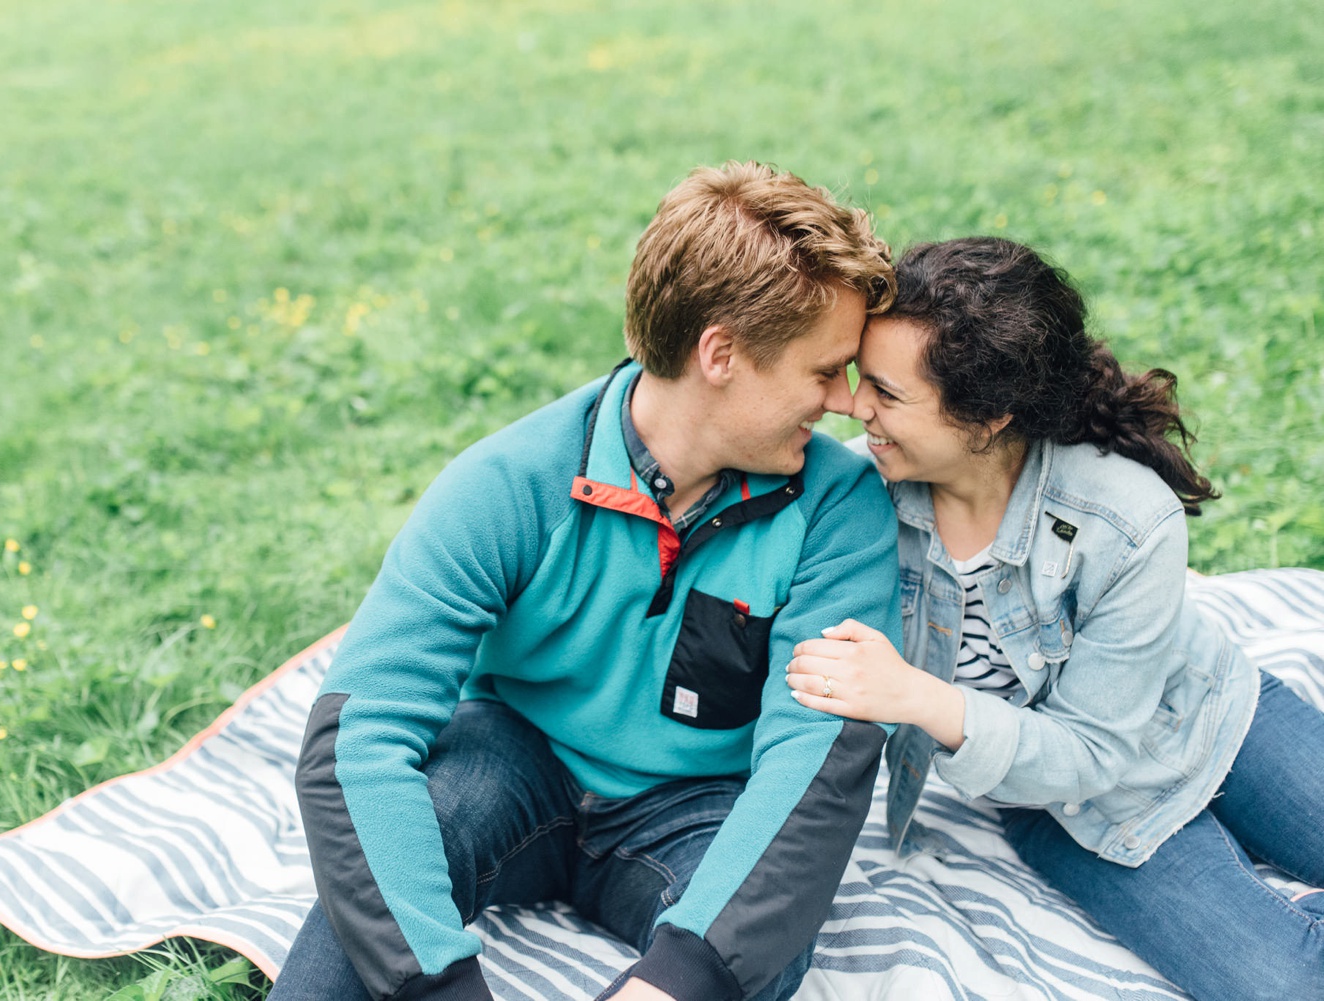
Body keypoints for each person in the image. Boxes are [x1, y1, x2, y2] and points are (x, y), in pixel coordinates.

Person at [272, 161, 902, 1001]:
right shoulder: (507, 483)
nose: (849, 404)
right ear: (722, 354)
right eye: (825, 372)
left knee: (756, 950)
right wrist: (438, 985)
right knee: (381, 871)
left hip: (696, 807)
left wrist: (676, 980)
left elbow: (815, 762)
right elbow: (356, 737)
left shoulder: (840, 505)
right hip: (511, 758)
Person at [785, 236, 1324, 1001]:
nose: (853, 405)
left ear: (990, 417)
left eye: (887, 392)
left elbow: (1097, 744)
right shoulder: (858, 500)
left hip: (1213, 718)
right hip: (1063, 809)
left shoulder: (1127, 516)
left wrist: (916, 697)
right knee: (1289, 984)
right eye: (856, 378)